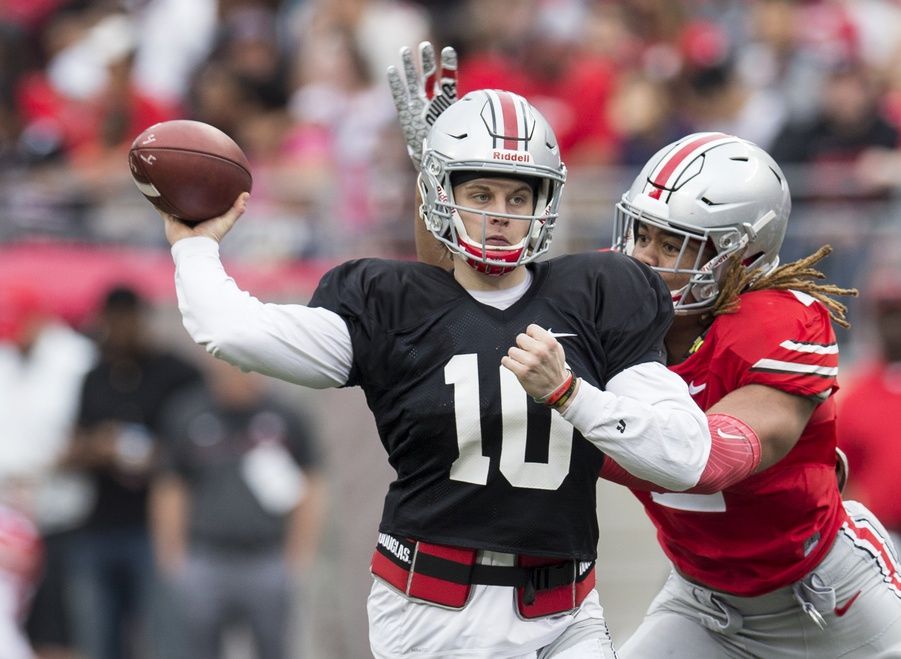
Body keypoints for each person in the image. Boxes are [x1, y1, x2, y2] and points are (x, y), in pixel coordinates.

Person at [156, 81, 718, 656]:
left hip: (564, 612)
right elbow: (232, 331)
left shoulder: (598, 294)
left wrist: (572, 394)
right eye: (480, 193)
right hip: (431, 610)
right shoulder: (390, 302)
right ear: (439, 195)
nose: (499, 215)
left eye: (517, 199)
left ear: (544, 204)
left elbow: (684, 457)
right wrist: (195, 247)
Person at [402, 44, 901, 658]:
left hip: (833, 601)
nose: (643, 256)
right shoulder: (605, 307)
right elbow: (461, 301)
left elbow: (706, 460)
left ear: (738, 259)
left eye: (674, 244)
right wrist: (440, 172)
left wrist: (571, 396)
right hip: (705, 605)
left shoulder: (775, 323)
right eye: (641, 232)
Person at [150, 357, 326, 659]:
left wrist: (300, 552)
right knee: (198, 647)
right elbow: (171, 487)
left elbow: (311, 484)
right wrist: (172, 555)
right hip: (206, 556)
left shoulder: (285, 416)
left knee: (274, 646)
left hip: (266, 556)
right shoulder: (189, 414)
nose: (241, 375)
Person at [64, 285, 201, 659]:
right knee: (99, 640)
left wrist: (158, 453)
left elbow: (200, 443)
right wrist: (99, 447)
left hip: (157, 528)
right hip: (100, 524)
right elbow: (70, 451)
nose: (121, 330)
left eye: (129, 320)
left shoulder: (177, 373)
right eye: (114, 321)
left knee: (163, 638)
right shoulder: (95, 377)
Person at [837, 267, 901, 553]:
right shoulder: (857, 397)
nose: (895, 325)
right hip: (883, 540)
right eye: (888, 316)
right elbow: (837, 472)